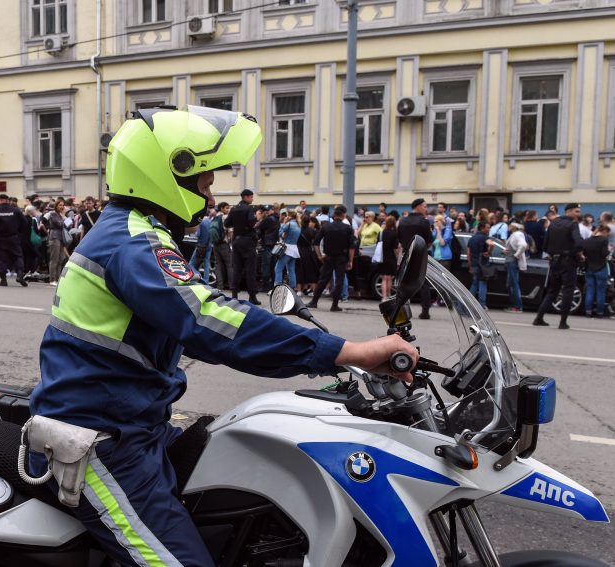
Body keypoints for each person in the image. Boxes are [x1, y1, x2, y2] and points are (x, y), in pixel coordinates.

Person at [28, 105, 417, 567]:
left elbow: (198, 318)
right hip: (100, 445)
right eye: (205, 181)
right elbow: (208, 320)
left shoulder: (138, 233)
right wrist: (348, 352)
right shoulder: (130, 242)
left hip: (136, 428)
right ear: (170, 172)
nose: (211, 196)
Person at [533, 203, 585, 329]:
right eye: (577, 211)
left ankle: (539, 317)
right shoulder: (573, 224)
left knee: (552, 290)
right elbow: (579, 243)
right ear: (570, 211)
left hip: (554, 262)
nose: (579, 214)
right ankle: (563, 321)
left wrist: (552, 254)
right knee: (568, 290)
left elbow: (545, 245)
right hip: (568, 262)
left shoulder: (554, 223)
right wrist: (576, 253)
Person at [307, 205, 356, 312]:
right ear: (343, 215)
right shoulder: (348, 228)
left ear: (334, 215)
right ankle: (335, 305)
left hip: (328, 257)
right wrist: (351, 261)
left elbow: (316, 242)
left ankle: (314, 301)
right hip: (342, 258)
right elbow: (352, 247)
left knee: (323, 280)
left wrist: (320, 255)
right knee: (339, 281)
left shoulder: (326, 227)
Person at [398, 198, 434, 319]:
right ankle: (425, 311)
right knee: (423, 283)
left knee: (404, 283)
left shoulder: (402, 221)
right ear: (418, 207)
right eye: (424, 206)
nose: (426, 209)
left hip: (406, 255)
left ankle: (400, 309)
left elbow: (400, 239)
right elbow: (429, 241)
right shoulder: (424, 222)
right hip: (420, 256)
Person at [225, 189, 260, 305]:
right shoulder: (249, 208)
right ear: (246, 197)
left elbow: (227, 224)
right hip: (248, 241)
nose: (252, 199)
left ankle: (234, 294)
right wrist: (256, 218)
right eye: (251, 197)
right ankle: (252, 296)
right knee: (250, 269)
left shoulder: (234, 208)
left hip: (237, 241)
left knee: (237, 268)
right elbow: (251, 222)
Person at [0, 193, 29, 287]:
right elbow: (25, 224)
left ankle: (3, 280)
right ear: (7, 200)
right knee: (17, 256)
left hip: (0, 239)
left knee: (1, 259)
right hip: (13, 237)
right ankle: (20, 274)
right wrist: (19, 233)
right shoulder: (16, 210)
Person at [583, 224, 611, 318]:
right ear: (604, 231)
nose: (607, 235)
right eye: (607, 233)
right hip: (601, 268)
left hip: (589, 267)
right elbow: (604, 254)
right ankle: (600, 313)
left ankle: (588, 312)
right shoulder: (604, 240)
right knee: (600, 291)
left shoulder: (587, 240)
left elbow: (584, 254)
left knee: (590, 290)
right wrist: (609, 250)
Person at [467, 222, 493, 309]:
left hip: (474, 263)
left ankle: (469, 303)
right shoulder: (484, 237)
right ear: (482, 228)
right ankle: (482, 304)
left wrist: (470, 264)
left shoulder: (472, 238)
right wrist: (489, 252)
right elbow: (492, 244)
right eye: (487, 227)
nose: (489, 229)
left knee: (474, 284)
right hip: (482, 264)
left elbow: (468, 253)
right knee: (482, 283)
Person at [504, 222, 528, 313]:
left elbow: (523, 245)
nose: (509, 227)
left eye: (510, 225)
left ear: (514, 227)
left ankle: (517, 306)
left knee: (514, 284)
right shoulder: (514, 234)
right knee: (511, 284)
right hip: (511, 261)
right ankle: (514, 305)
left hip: (512, 262)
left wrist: (516, 255)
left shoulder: (517, 234)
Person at [273, 208, 300, 289]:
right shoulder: (298, 225)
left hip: (287, 248)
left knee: (278, 268)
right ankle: (292, 287)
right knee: (291, 269)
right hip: (294, 248)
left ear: (290, 216)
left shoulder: (289, 224)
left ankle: (277, 286)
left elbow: (280, 233)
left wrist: (284, 222)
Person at [256, 206, 280, 292]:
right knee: (273, 266)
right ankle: (272, 285)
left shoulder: (268, 219)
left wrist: (259, 219)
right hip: (274, 244)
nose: (263, 213)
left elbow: (258, 228)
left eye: (264, 211)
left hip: (267, 244)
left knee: (265, 266)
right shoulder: (276, 219)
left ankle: (265, 286)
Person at [295, 213, 320, 296]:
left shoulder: (298, 230)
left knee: (299, 270)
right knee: (311, 271)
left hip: (299, 251)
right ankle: (313, 290)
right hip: (309, 252)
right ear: (309, 221)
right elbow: (315, 241)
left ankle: (299, 290)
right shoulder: (312, 231)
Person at [47, 200, 69, 287]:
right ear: (56, 206)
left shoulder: (61, 215)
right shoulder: (53, 214)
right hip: (54, 237)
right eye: (60, 205)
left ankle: (57, 279)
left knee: (61, 259)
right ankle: (52, 279)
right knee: (54, 259)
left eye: (63, 205)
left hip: (61, 238)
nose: (62, 207)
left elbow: (68, 225)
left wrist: (64, 218)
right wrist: (64, 217)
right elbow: (60, 224)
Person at [210, 202, 231, 290]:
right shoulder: (225, 217)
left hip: (215, 244)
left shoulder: (214, 217)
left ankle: (220, 286)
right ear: (222, 208)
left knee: (218, 265)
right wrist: (230, 241)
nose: (228, 209)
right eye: (226, 208)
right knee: (229, 264)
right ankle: (231, 285)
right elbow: (230, 231)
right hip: (224, 243)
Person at [378, 216, 399, 300]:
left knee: (384, 278)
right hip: (391, 258)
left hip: (382, 257)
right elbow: (395, 248)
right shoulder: (394, 234)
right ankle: (389, 295)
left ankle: (384, 297)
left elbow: (378, 244)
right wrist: (397, 257)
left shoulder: (381, 233)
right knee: (389, 278)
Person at [190, 211, 213, 281]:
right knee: (206, 264)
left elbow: (198, 234)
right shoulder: (210, 222)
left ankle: (190, 277)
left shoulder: (201, 223)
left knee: (191, 262)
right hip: (209, 246)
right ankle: (206, 280)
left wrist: (194, 233)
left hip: (200, 246)